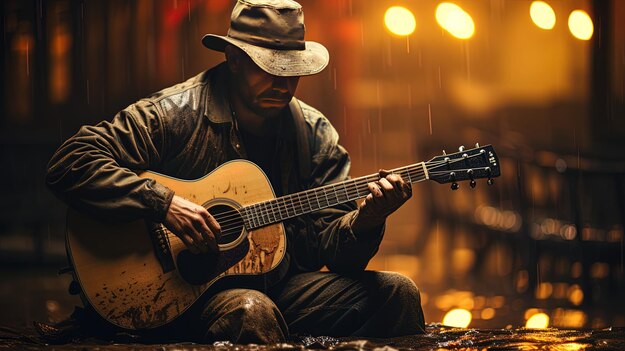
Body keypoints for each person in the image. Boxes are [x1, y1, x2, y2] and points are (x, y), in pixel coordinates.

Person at [45, 0, 426, 344]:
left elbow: (332, 255)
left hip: (281, 286)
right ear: (234, 58)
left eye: (291, 70)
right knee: (250, 310)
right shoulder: (174, 113)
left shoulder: (314, 133)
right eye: (268, 68)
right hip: (183, 294)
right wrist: (163, 203)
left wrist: (367, 220)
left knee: (398, 292)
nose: (283, 83)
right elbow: (71, 162)